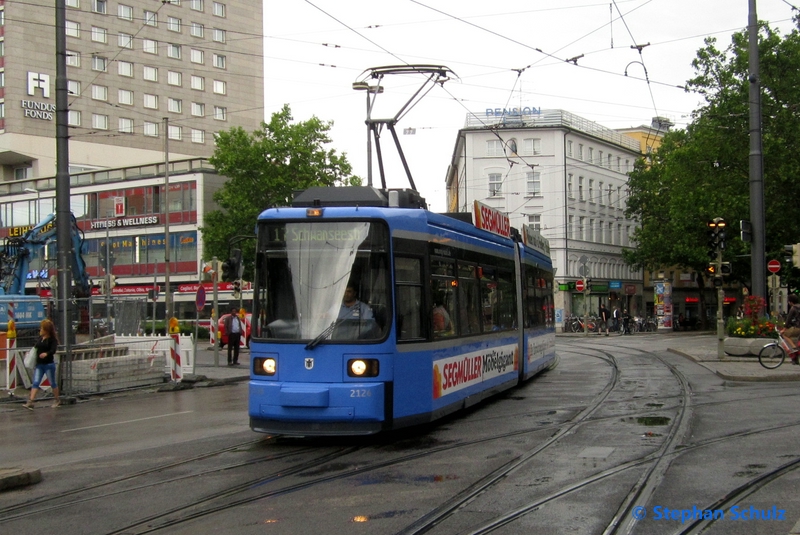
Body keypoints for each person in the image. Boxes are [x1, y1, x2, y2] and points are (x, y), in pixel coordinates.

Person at [24, 319, 61, 409]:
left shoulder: (52, 340)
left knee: (52, 383)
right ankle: (31, 401)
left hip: (48, 364)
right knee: (36, 382)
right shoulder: (40, 339)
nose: (40, 330)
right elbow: (35, 348)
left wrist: (46, 354)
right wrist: (29, 354)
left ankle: (57, 399)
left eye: (42, 328)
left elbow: (53, 350)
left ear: (47, 330)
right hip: (39, 365)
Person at [783, 294, 800, 365]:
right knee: (798, 344)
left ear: (791, 302)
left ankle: (794, 348)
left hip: (798, 327)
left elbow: (788, 320)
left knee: (785, 335)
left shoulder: (793, 308)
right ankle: (795, 359)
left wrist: (784, 329)